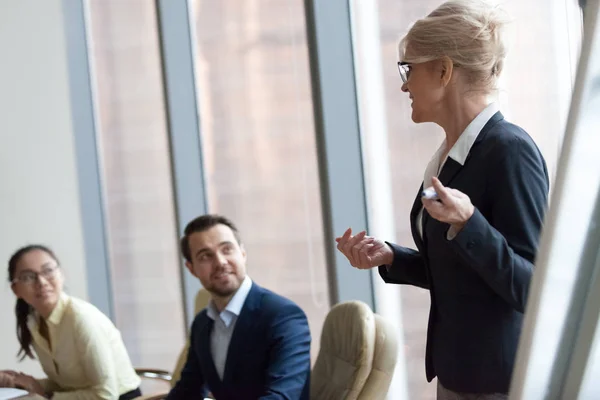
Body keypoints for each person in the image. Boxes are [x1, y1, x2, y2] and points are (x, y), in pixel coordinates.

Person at [336, 1, 549, 399]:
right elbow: (463, 272)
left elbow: (533, 286)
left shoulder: (510, 151)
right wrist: (391, 257)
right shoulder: (447, 158)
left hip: (499, 382)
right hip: (459, 373)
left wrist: (471, 224)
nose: (403, 85)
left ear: (444, 70)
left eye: (408, 68)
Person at [166, 214, 311, 400]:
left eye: (227, 249)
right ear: (191, 268)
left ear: (242, 254)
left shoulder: (284, 316)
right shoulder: (202, 324)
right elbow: (187, 392)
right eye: (205, 256)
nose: (220, 262)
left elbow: (281, 396)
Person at [7, 245, 142, 400]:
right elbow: (67, 384)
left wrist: (46, 396)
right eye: (28, 277)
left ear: (61, 274)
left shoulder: (81, 318)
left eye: (48, 271)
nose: (42, 282)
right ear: (15, 289)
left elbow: (106, 395)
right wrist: (22, 383)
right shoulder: (34, 322)